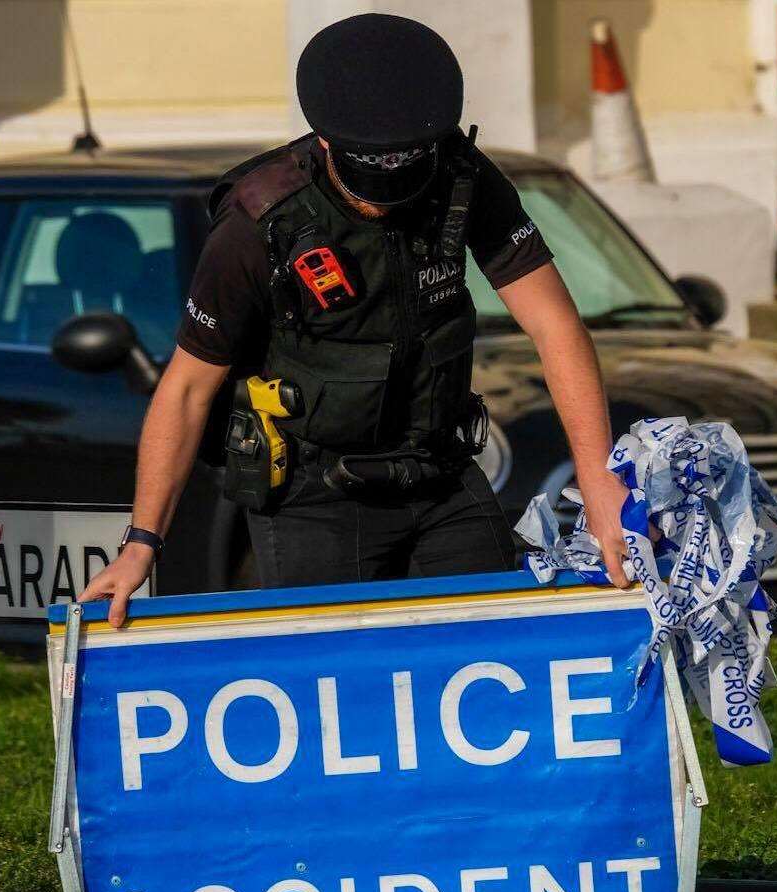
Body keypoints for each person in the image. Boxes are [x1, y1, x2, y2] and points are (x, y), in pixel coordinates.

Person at [81, 13, 629, 627]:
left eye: (403, 178)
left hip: (440, 475)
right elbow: (185, 390)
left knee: (498, 655)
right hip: (311, 499)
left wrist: (598, 477)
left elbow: (556, 326)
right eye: (366, 179)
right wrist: (142, 543)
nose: (383, 199)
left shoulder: (462, 178)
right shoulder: (259, 222)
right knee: (335, 692)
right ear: (324, 142)